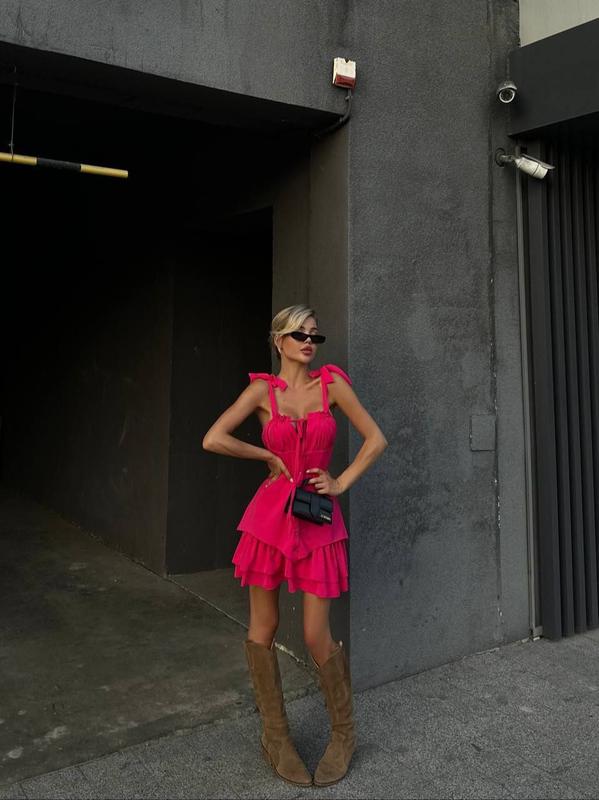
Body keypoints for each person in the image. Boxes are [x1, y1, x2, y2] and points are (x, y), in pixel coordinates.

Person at [202, 303, 388, 787]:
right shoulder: (262, 390)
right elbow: (213, 438)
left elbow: (375, 439)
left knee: (314, 634)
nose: (309, 343)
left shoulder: (331, 385)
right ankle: (276, 736)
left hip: (317, 519)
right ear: (279, 340)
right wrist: (265, 453)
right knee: (263, 626)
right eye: (299, 335)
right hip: (269, 520)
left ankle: (344, 735)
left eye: (314, 336)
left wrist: (340, 482)